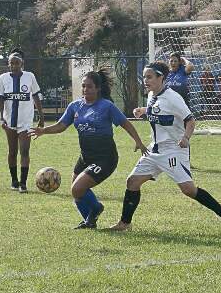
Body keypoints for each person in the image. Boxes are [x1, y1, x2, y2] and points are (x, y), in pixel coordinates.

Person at [110, 61, 221, 232]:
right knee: (132, 182)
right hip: (154, 149)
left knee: (188, 189)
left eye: (149, 77)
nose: (145, 80)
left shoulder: (173, 98)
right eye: (144, 77)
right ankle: (125, 224)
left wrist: (186, 137)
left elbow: (190, 120)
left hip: (173, 149)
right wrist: (143, 110)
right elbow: (157, 110)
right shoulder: (151, 95)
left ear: (161, 77)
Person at [30, 69, 148, 228]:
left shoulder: (106, 106)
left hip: (105, 158)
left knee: (77, 188)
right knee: (77, 190)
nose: (86, 89)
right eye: (84, 86)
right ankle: (89, 221)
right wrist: (44, 131)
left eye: (89, 86)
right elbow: (61, 126)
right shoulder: (75, 106)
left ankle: (96, 208)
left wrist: (138, 141)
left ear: (98, 88)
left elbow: (125, 123)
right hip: (86, 157)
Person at [0, 50, 44, 193]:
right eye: (12, 63)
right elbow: (0, 99)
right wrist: (1, 118)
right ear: (8, 64)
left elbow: (35, 96)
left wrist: (41, 116)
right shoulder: (3, 78)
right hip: (9, 121)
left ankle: (23, 183)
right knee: (12, 152)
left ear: (22, 64)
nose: (14, 66)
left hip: (26, 122)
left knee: (24, 151)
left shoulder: (30, 77)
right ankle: (14, 181)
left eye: (17, 63)